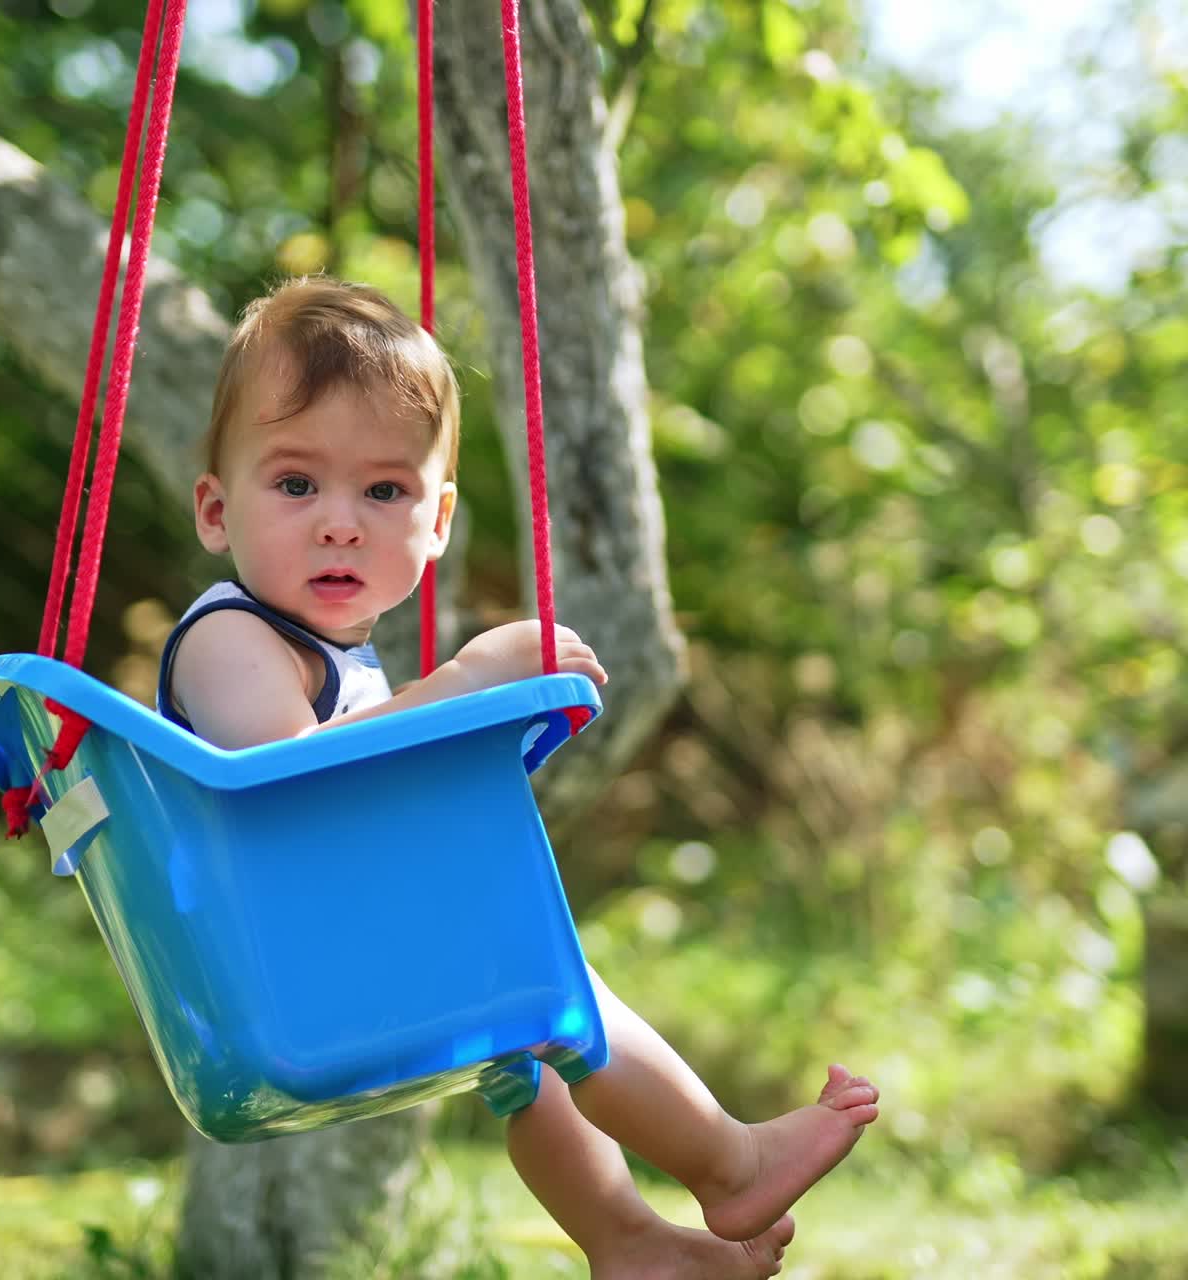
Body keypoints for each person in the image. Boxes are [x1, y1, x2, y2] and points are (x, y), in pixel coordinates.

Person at [159, 276, 880, 1279]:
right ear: (213, 506)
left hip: (340, 953)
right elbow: (294, 784)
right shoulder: (229, 637)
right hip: (283, 979)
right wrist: (462, 683)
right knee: (549, 984)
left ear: (438, 517)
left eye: (384, 490)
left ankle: (625, 1240)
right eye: (294, 483)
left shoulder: (330, 656)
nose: (340, 521)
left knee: (530, 1051)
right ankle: (727, 1161)